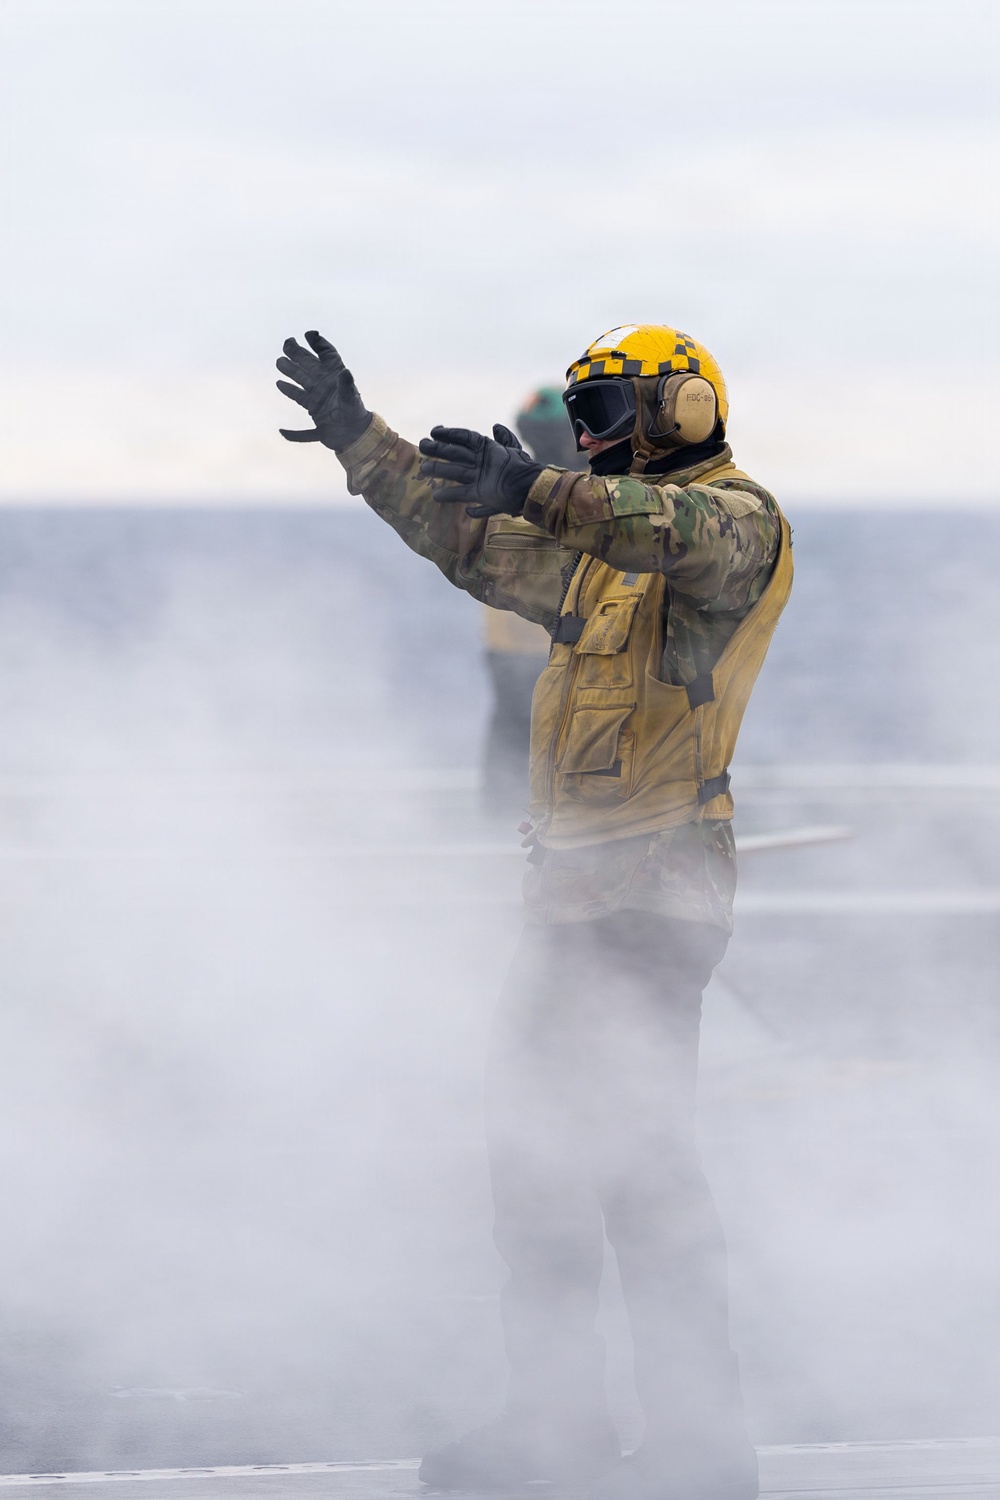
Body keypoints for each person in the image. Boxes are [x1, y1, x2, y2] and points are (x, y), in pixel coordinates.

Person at [275, 323, 793, 1500]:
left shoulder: (736, 525)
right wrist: (360, 439)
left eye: (609, 411)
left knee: (639, 1167)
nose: (592, 435)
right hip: (571, 896)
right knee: (538, 1163)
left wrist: (539, 486)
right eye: (583, 416)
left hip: (653, 897)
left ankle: (702, 1446)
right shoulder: (594, 558)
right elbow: (466, 538)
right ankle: (556, 1427)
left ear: (682, 410)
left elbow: (669, 528)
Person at [481, 387, 587, 816]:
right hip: (544, 650)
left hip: (512, 648)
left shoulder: (511, 485)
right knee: (548, 754)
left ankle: (499, 826)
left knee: (512, 747)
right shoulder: (583, 494)